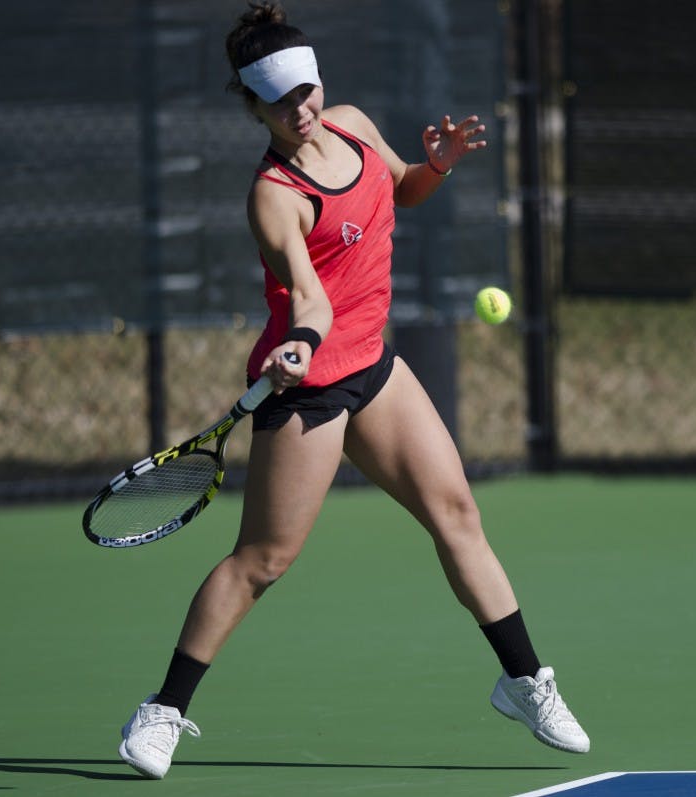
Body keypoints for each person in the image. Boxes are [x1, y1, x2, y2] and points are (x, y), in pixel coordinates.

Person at [118, 1, 589, 779]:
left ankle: (524, 681)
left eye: (306, 90)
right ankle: (163, 708)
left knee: (457, 512)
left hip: (373, 366)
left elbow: (400, 189)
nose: (300, 110)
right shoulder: (274, 193)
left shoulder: (352, 125)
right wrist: (300, 344)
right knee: (263, 560)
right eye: (280, 102)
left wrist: (432, 166)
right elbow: (308, 297)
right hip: (306, 387)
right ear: (254, 106)